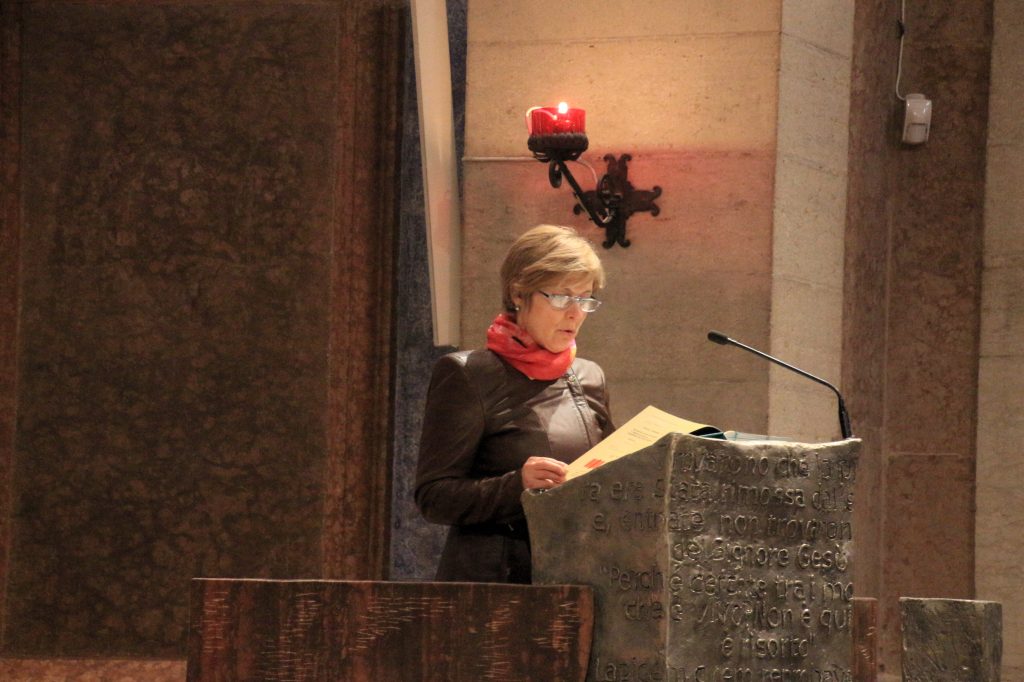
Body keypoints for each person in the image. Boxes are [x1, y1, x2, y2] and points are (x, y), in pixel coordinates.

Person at [415, 224, 614, 583]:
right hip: (496, 585)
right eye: (561, 297)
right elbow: (434, 496)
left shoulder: (588, 377)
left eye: (585, 299)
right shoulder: (468, 374)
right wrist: (516, 485)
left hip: (577, 578)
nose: (575, 313)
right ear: (519, 293)